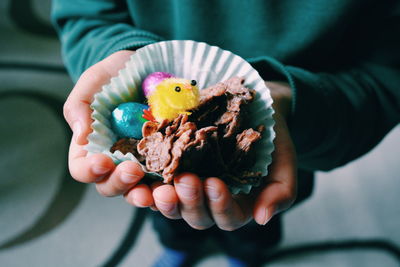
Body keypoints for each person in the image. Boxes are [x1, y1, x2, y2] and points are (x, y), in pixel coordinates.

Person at [51, 1, 400, 266]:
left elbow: (387, 75)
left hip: (287, 142)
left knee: (257, 224)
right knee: (168, 214)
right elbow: (85, 13)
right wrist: (115, 54)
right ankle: (178, 249)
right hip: (156, 178)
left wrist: (295, 105)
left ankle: (247, 257)